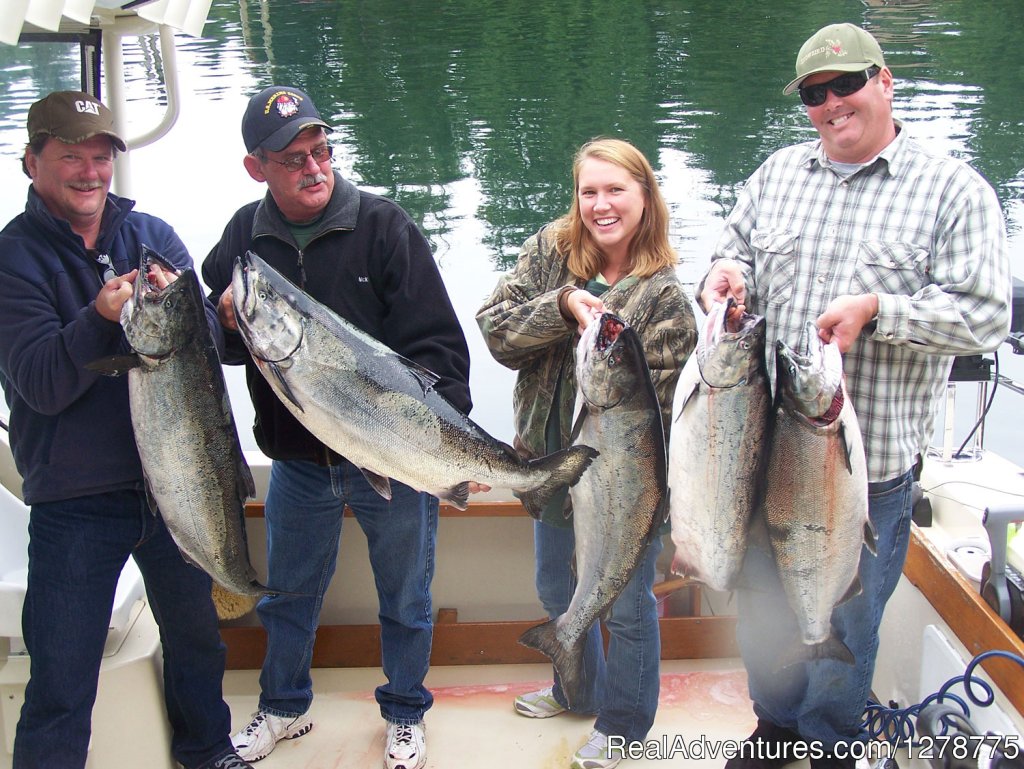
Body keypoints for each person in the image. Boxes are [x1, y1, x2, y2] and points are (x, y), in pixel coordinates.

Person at [698, 24, 1011, 769]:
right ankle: (775, 730)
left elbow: (987, 314)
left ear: (884, 79)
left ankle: (832, 739)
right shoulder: (777, 173)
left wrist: (881, 310)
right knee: (768, 610)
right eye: (814, 93)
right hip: (763, 453)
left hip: (867, 475)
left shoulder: (954, 190)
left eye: (846, 85)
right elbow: (731, 248)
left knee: (850, 614)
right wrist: (724, 277)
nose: (832, 104)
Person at [201, 85, 473, 769]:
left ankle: (406, 713)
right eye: (293, 159)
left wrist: (430, 442)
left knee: (406, 598)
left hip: (394, 456)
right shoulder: (243, 236)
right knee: (288, 598)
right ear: (256, 167)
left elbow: (443, 356)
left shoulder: (385, 228)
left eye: (321, 150)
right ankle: (283, 707)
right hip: (298, 461)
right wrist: (228, 320)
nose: (315, 167)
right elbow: (216, 338)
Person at [0, 91, 250, 769]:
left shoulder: (153, 236)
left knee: (199, 639)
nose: (90, 171)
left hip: (175, 489)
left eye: (101, 156)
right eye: (71, 156)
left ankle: (208, 751)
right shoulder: (13, 259)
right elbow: (40, 381)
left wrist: (211, 314)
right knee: (61, 675)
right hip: (74, 504)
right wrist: (100, 316)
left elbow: (200, 347)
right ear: (32, 162)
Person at [476, 137, 697, 769]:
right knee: (556, 587)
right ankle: (578, 691)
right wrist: (563, 306)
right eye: (589, 191)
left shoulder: (666, 303)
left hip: (623, 488)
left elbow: (657, 420)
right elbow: (496, 329)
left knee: (626, 607)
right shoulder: (551, 251)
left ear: (645, 196)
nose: (601, 205)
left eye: (616, 190)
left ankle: (624, 726)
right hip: (548, 467)